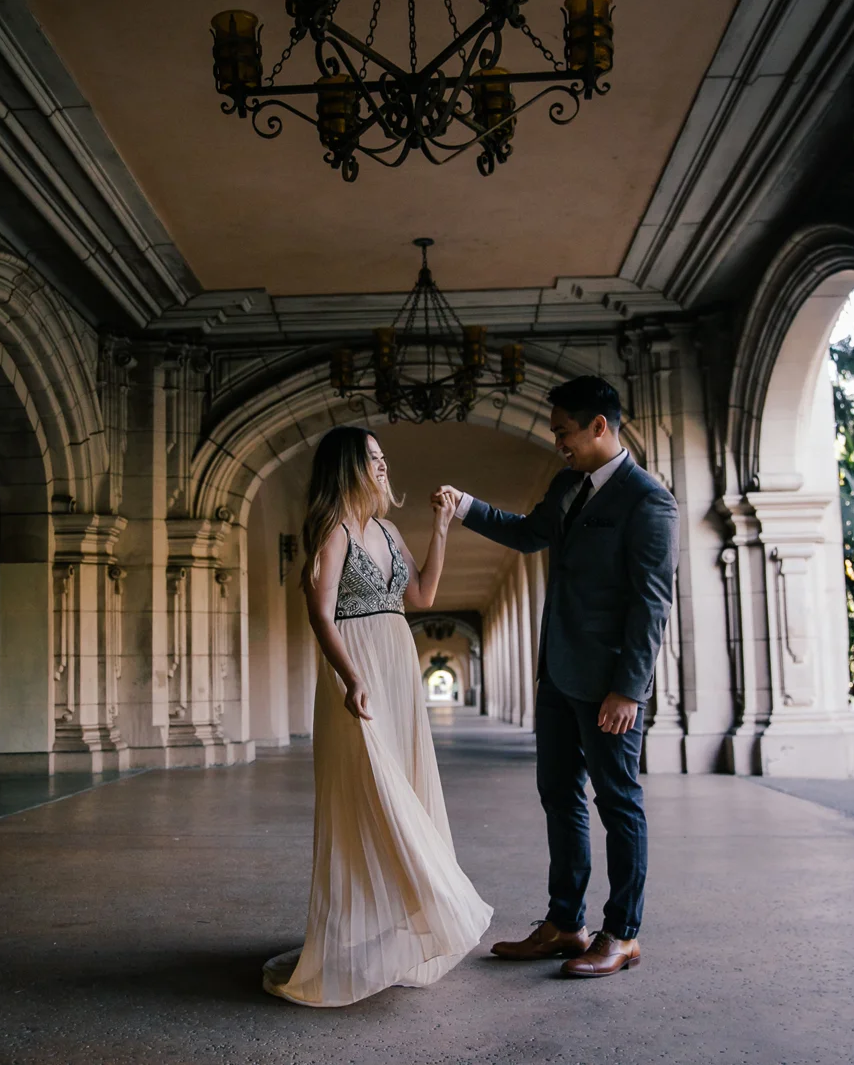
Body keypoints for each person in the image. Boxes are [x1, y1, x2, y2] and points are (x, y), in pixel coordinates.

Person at [435, 376, 678, 978]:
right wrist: (466, 507)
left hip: (609, 686)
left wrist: (630, 688)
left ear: (600, 426)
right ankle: (565, 924)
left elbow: (651, 603)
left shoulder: (648, 500)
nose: (557, 442)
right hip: (558, 676)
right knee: (559, 796)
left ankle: (621, 933)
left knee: (619, 803)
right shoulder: (569, 484)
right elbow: (528, 534)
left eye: (564, 431)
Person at [263, 426, 493, 1007]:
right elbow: (320, 614)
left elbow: (421, 597)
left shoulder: (389, 531)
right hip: (358, 670)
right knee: (371, 791)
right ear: (348, 467)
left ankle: (399, 930)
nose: (384, 465)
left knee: (407, 787)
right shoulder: (333, 529)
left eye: (385, 456)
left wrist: (441, 529)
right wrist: (352, 677)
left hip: (397, 665)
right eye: (373, 457)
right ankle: (422, 905)